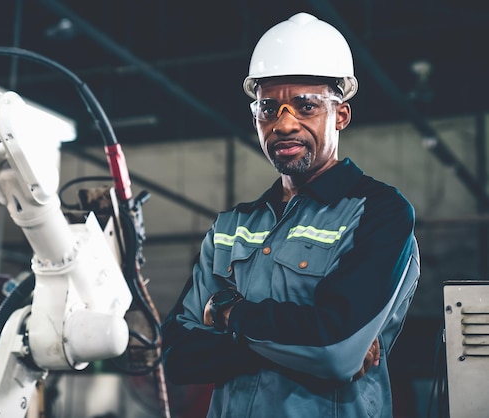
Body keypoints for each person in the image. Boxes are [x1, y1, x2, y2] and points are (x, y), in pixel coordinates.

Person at [160, 11, 420, 418]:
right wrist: (306, 344)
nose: (283, 124)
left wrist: (227, 313)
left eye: (305, 106)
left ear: (340, 115)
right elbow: (178, 357)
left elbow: (333, 351)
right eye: (269, 108)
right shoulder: (231, 227)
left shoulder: (378, 212)